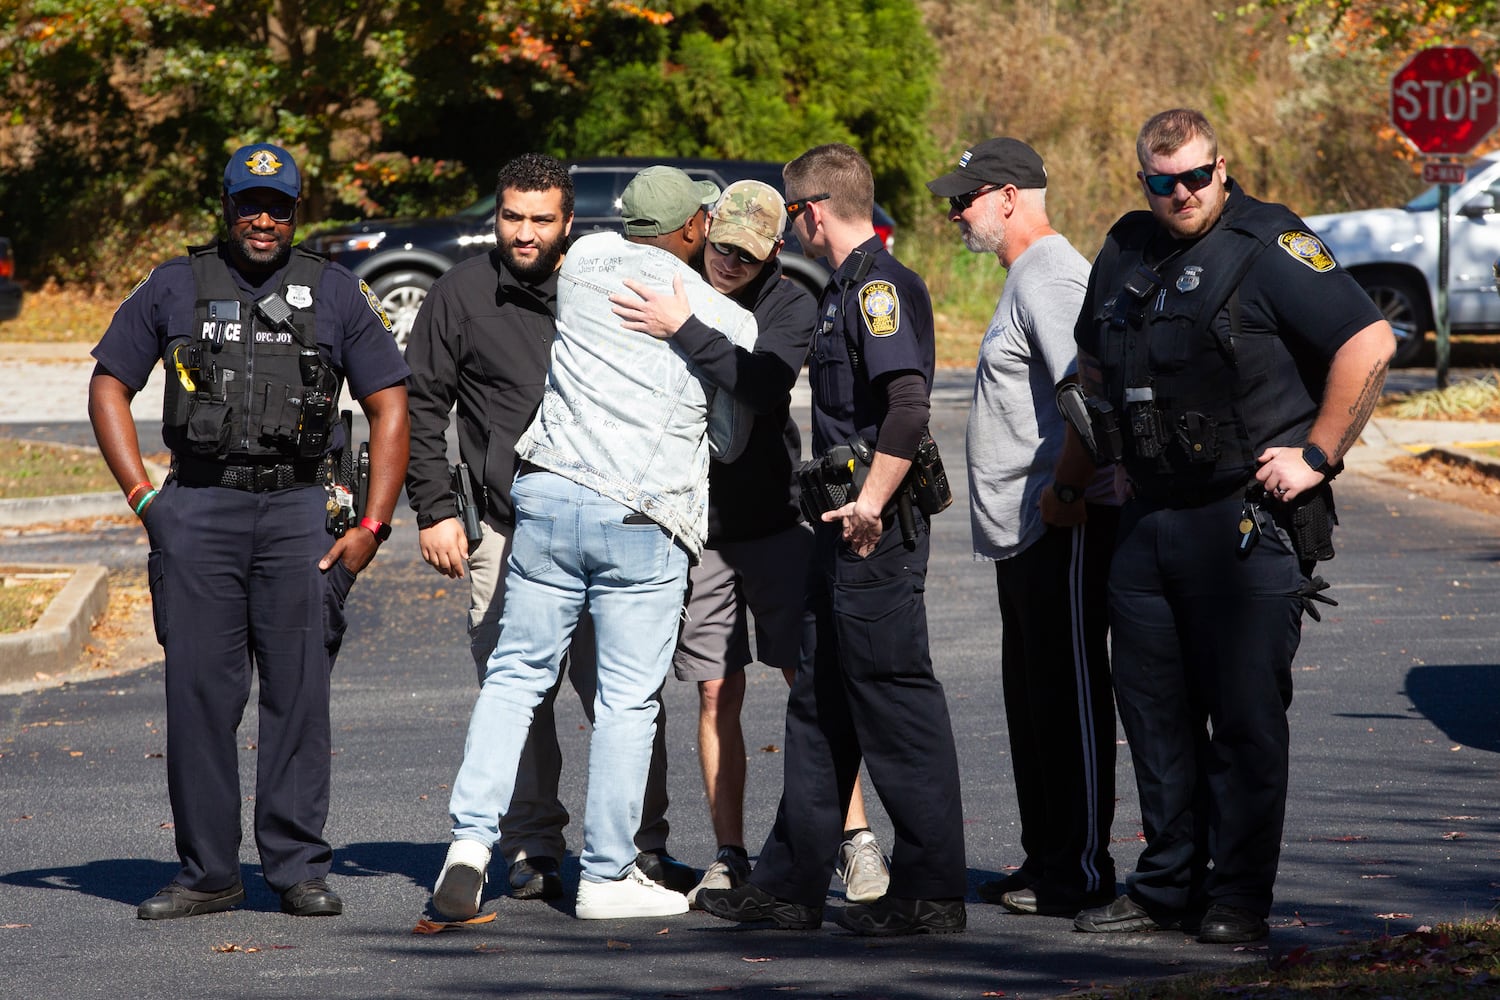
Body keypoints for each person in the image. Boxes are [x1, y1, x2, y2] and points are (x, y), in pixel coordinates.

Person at [1066, 109, 1395, 944]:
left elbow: (1369, 340)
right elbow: (1093, 362)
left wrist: (1319, 455)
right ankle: (1168, 884)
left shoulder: (1269, 243)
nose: (1179, 194)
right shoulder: (1126, 246)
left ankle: (1238, 899)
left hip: (1243, 521)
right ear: (1141, 178)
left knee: (1245, 720)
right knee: (1154, 714)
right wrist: (1080, 468)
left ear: (1223, 167)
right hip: (1145, 517)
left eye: (1194, 178)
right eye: (1160, 181)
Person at [88, 142, 411, 920]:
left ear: (299, 211)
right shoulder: (172, 285)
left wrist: (372, 524)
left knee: (298, 695)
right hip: (197, 508)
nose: (262, 218)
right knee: (199, 695)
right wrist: (144, 499)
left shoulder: (336, 292)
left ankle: (296, 867)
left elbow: (391, 403)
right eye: (248, 204)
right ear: (226, 207)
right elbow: (108, 384)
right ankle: (208, 872)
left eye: (278, 206)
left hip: (302, 511)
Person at [429, 165, 758, 922]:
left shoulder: (582, 264)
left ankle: (471, 846)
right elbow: (731, 438)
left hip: (546, 496)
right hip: (642, 514)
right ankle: (610, 872)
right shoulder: (726, 319)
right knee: (624, 700)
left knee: (514, 677)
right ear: (694, 228)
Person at [697, 143, 968, 937]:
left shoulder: (879, 287)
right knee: (819, 704)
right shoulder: (846, 285)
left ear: (814, 209)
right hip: (837, 525)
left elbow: (908, 407)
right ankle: (787, 886)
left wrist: (873, 505)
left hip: (869, 531)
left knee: (894, 704)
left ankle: (929, 892)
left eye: (793, 212)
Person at [403, 154, 683, 904]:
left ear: (569, 223)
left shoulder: (602, 286)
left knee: (623, 697)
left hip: (616, 521)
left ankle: (640, 846)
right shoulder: (457, 296)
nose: (524, 234)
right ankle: (534, 845)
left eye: (540, 219)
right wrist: (433, 510)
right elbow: (419, 408)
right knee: (518, 692)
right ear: (496, 215)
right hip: (503, 527)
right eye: (511, 217)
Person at [608, 180, 890, 906]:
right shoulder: (672, 279)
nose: (727, 261)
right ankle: (729, 854)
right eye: (720, 245)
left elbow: (763, 386)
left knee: (806, 680)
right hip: (696, 528)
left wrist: (682, 328)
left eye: (745, 253)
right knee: (712, 690)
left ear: (771, 252)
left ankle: (855, 840)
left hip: (773, 520)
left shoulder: (790, 301)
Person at [926, 137, 1120, 917]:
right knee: (1032, 700)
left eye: (963, 199)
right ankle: (1046, 860)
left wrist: (1067, 492)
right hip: (1027, 533)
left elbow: (1088, 392)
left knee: (1069, 697)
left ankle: (1079, 869)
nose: (954, 214)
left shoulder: (1054, 275)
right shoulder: (1026, 277)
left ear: (1008, 195)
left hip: (1058, 527)